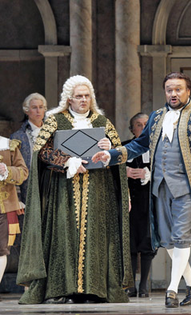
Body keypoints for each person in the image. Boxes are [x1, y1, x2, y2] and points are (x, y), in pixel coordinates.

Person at [92, 72, 191, 308]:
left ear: (188, 91)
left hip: (187, 188)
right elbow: (138, 145)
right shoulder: (156, 116)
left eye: (177, 89)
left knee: (181, 237)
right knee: (167, 241)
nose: (173, 94)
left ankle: (172, 290)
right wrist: (112, 154)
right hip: (159, 186)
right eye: (169, 90)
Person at [17, 75, 133, 304]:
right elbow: (42, 152)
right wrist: (68, 161)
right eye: (79, 96)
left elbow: (120, 156)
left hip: (99, 190)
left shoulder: (103, 122)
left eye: (87, 96)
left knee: (96, 237)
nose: (83, 100)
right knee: (63, 235)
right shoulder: (54, 120)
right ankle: (62, 289)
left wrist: (110, 149)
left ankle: (95, 289)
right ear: (69, 99)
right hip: (63, 191)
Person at [123, 113, 157, 298]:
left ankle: (143, 286)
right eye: (138, 125)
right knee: (129, 244)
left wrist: (149, 174)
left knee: (147, 243)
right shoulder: (124, 147)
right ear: (132, 129)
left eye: (146, 125)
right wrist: (125, 172)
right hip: (128, 202)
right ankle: (130, 285)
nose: (143, 128)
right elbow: (110, 168)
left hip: (149, 202)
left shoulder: (158, 148)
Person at [0, 136, 28, 302]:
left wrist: (6, 170)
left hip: (4, 206)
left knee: (1, 249)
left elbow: (23, 171)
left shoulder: (9, 146)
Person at [10, 93, 47, 210]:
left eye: (41, 107)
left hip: (50, 186)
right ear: (27, 111)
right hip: (28, 189)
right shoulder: (17, 137)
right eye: (34, 107)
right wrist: (17, 199)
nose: (38, 111)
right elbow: (13, 168)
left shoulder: (53, 133)